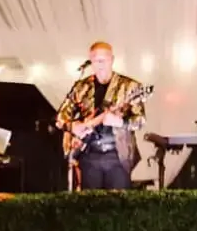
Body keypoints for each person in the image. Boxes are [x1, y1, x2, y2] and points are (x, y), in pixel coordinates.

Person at [54, 42, 148, 190]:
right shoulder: (81, 87)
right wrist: (73, 126)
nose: (100, 64)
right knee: (90, 206)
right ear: (90, 61)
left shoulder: (130, 86)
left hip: (118, 155)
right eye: (96, 60)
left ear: (112, 59)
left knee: (117, 206)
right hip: (89, 154)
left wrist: (120, 122)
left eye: (104, 60)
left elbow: (140, 121)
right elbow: (60, 117)